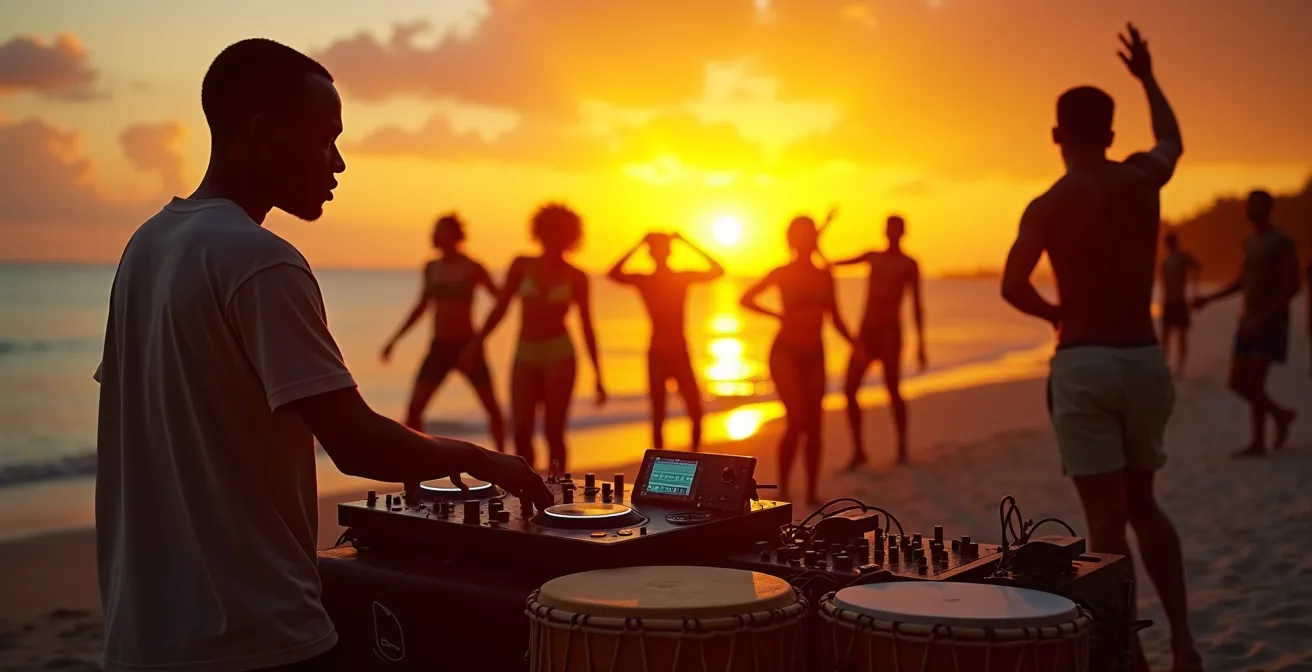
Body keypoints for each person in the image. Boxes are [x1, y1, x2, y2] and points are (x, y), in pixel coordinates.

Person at [92, 39, 550, 672]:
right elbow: (358, 445)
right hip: (253, 638)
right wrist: (484, 459)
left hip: (141, 639)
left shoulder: (145, 246)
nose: (338, 163)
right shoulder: (261, 259)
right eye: (325, 138)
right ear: (264, 134)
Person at [999, 24, 1201, 672]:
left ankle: (1130, 653)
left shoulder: (1050, 203)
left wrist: (1058, 312)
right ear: (1112, 135)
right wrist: (1147, 77)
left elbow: (1012, 284)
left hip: (1084, 360)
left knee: (1105, 525)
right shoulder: (1142, 180)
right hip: (1144, 359)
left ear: (1057, 136)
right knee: (1146, 503)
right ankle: (1186, 644)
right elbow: (1173, 141)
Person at [465, 204, 606, 473]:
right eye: (549, 231)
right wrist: (476, 343)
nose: (554, 238)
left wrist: (599, 376)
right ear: (539, 232)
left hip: (560, 355)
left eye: (561, 232)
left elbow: (588, 327)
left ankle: (556, 486)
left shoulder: (577, 277)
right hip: (525, 354)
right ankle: (527, 487)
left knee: (553, 431)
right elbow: (501, 308)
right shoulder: (521, 264)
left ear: (571, 237)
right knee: (520, 431)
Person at [740, 216, 854, 505]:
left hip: (815, 354)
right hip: (785, 353)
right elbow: (746, 298)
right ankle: (785, 489)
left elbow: (835, 316)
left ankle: (812, 491)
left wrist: (856, 344)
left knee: (815, 425)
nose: (805, 240)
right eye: (799, 235)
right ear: (791, 239)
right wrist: (777, 315)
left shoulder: (825, 274)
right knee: (797, 421)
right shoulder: (783, 272)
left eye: (809, 234)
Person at [380, 214, 506, 450]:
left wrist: (478, 341)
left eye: (439, 230)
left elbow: (501, 301)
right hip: (439, 348)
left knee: (493, 410)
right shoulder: (431, 267)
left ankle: (507, 465)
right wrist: (394, 340)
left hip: (468, 347)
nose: (433, 235)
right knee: (414, 410)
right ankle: (417, 467)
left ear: (454, 235)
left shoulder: (473, 267)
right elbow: (422, 306)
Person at [1193, 190, 1300, 456]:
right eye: (1249, 204)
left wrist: (1265, 316)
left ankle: (1259, 442)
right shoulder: (1249, 242)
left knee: (1254, 381)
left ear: (1269, 207)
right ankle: (1280, 414)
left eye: (1257, 203)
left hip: (1272, 322)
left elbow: (1292, 284)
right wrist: (1210, 299)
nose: (1251, 208)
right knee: (1236, 382)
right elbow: (1242, 281)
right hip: (1248, 321)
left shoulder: (1281, 241)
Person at [607, 232, 725, 451]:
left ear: (668, 252)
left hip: (678, 351)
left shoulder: (678, 278)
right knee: (660, 414)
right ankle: (659, 464)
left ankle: (694, 457)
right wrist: (640, 243)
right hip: (659, 353)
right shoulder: (647, 280)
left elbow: (718, 270)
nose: (660, 253)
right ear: (652, 254)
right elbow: (612, 274)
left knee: (693, 411)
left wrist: (686, 241)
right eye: (656, 249)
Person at [833, 215, 926, 467]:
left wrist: (921, 344)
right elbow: (831, 264)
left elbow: (917, 304)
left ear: (903, 233)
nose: (892, 233)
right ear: (884, 231)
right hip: (867, 333)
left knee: (892, 389)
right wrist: (820, 233)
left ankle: (902, 448)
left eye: (897, 229)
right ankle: (858, 451)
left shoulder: (909, 264)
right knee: (850, 389)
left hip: (890, 334)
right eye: (889, 228)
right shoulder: (873, 256)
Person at [1158, 232, 1201, 379]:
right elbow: (1164, 284)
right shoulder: (1165, 262)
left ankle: (1180, 368)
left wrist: (1196, 291)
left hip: (1179, 302)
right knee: (1166, 336)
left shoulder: (1182, 258)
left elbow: (1197, 267)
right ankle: (1165, 366)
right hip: (1169, 302)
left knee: (1180, 336)